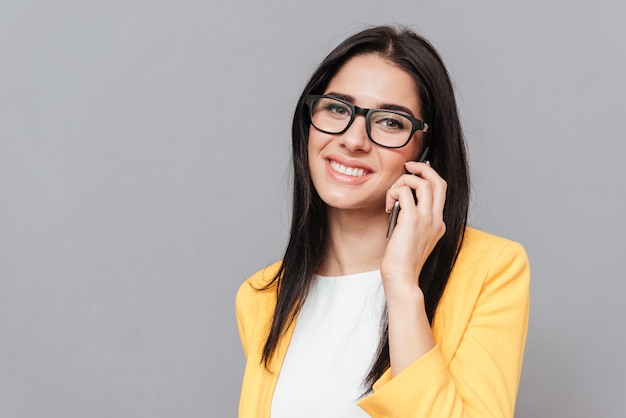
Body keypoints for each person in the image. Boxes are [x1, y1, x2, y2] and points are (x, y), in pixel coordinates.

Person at [236, 25, 530, 418]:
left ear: (424, 151)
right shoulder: (262, 296)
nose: (354, 140)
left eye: (390, 121)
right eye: (337, 108)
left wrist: (402, 283)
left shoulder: (492, 270)